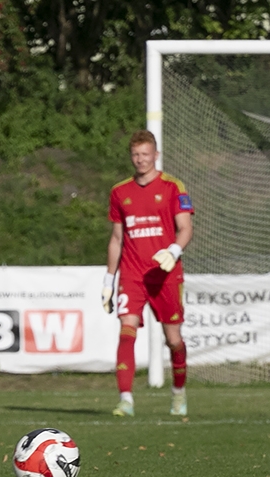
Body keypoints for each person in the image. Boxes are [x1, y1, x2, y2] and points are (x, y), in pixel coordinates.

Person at [102, 129, 194, 418]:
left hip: (165, 275)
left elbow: (186, 228)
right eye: (135, 155)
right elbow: (117, 238)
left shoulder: (172, 187)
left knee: (173, 339)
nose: (140, 160)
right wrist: (108, 280)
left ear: (156, 155)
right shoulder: (120, 192)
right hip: (132, 274)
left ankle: (178, 393)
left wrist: (174, 251)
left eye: (145, 154)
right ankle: (125, 400)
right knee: (127, 330)